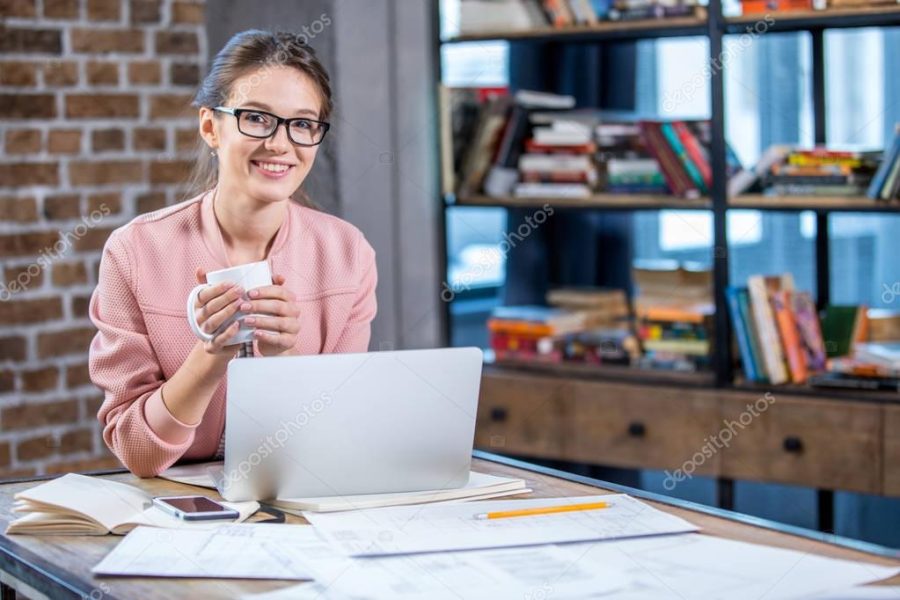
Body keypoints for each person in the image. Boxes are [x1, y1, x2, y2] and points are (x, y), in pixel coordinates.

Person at [89, 30, 377, 477]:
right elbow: (137, 452)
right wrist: (211, 355)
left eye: (302, 124)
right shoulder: (135, 251)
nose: (280, 144)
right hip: (179, 511)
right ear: (210, 127)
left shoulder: (347, 254)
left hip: (300, 503)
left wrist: (284, 357)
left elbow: (339, 443)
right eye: (257, 118)